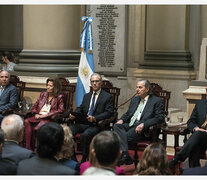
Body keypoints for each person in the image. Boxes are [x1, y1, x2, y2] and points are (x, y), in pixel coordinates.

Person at [113, 79, 164, 165]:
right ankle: (126, 154)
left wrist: (144, 124)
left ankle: (125, 156)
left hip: (142, 129)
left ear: (147, 89)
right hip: (130, 124)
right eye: (137, 87)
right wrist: (121, 119)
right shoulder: (135, 100)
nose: (137, 89)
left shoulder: (156, 101)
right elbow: (128, 114)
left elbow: (160, 118)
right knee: (116, 126)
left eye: (140, 87)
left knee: (119, 138)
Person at [68, 73, 114, 163]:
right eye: (92, 81)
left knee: (86, 135)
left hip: (96, 124)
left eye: (97, 81)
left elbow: (109, 112)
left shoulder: (107, 97)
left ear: (101, 83)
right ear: (90, 83)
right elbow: (80, 108)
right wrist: (74, 114)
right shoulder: (87, 96)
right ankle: (72, 155)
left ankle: (84, 157)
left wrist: (95, 118)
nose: (94, 83)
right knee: (68, 130)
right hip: (84, 122)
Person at [24, 77, 64, 150]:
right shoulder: (43, 94)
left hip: (48, 118)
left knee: (37, 127)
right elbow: (34, 106)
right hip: (38, 116)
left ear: (55, 87)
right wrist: (35, 113)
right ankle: (28, 147)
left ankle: (38, 148)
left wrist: (46, 115)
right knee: (26, 121)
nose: (48, 87)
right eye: (47, 85)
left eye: (50, 86)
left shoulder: (59, 97)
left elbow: (60, 110)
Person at [169, 98, 207, 168]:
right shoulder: (200, 104)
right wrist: (196, 128)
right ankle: (194, 171)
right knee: (195, 143)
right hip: (200, 138)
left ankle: (177, 159)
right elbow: (191, 121)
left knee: (196, 138)